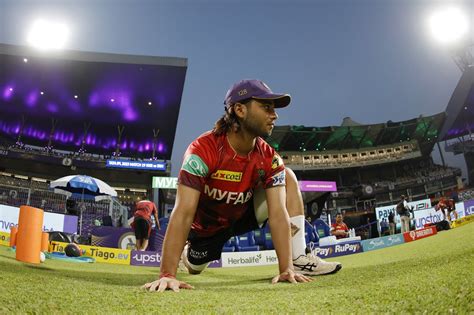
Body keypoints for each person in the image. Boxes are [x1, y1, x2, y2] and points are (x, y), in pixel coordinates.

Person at [142, 79, 341, 293]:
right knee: (194, 268)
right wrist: (167, 275)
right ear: (239, 110)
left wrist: (286, 268)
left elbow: (277, 213)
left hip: (243, 214)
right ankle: (187, 254)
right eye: (266, 108)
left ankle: (299, 257)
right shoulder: (202, 150)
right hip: (207, 231)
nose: (274, 115)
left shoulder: (269, 157)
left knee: (287, 175)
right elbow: (183, 212)